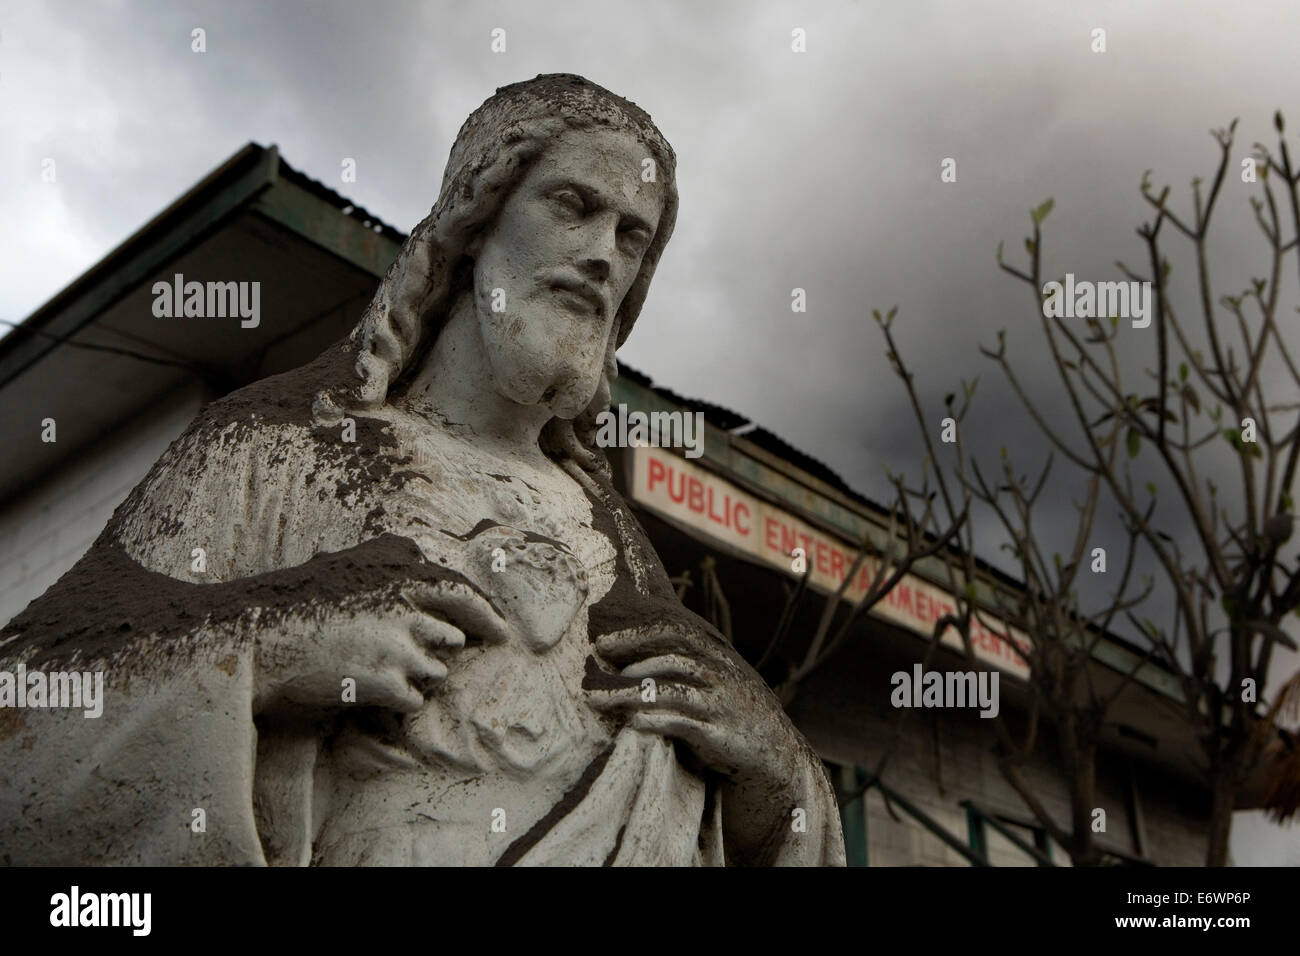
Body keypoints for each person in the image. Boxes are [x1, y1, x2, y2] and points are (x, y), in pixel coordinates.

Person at [0, 74, 845, 866]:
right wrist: (266, 653)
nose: (603, 257)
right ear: (475, 224)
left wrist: (779, 773)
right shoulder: (281, 451)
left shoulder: (618, 544)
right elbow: (28, 707)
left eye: (633, 237)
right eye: (573, 206)